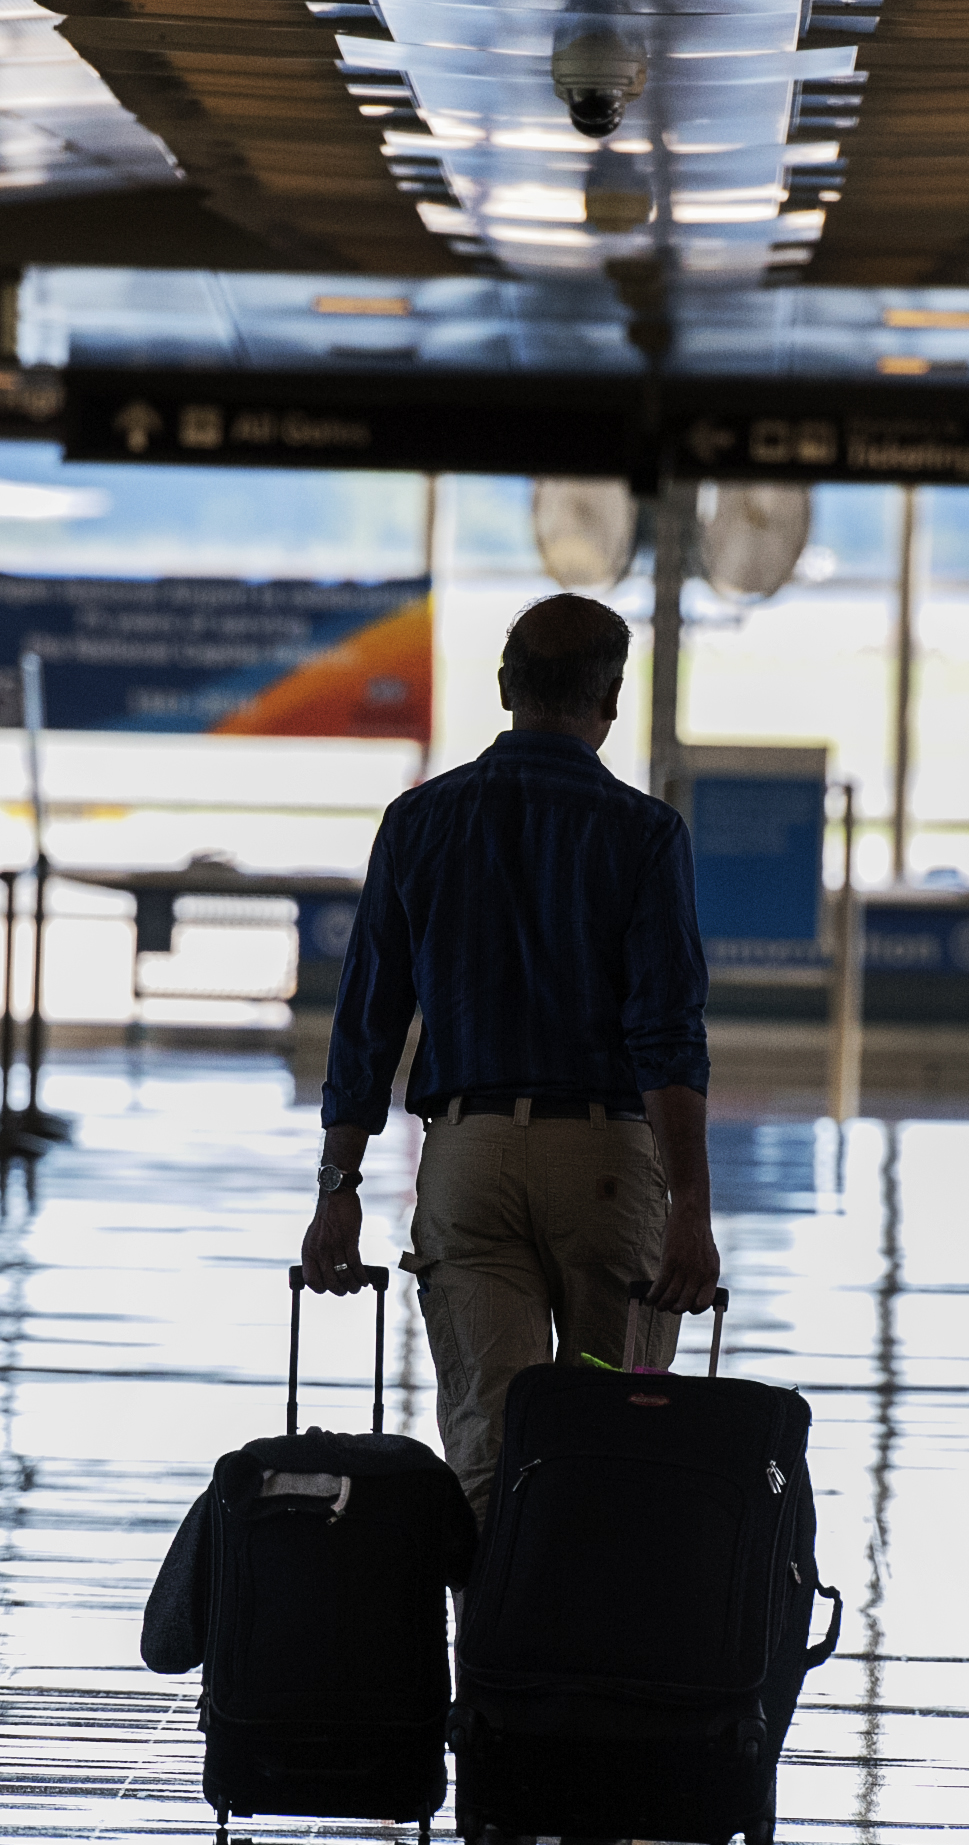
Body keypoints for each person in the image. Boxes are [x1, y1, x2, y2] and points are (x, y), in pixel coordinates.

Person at [300, 595, 719, 1515]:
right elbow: (666, 1034)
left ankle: (488, 1653)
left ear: (504, 689)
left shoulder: (418, 822)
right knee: (608, 1432)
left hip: (468, 1166)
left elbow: (367, 1018)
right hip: (607, 1170)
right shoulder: (647, 836)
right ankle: (592, 1649)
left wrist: (339, 1189)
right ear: (609, 699)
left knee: (489, 1446)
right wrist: (690, 1205)